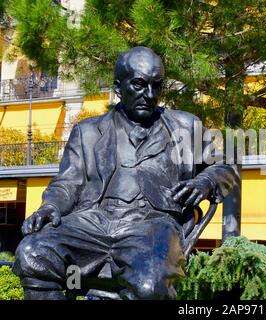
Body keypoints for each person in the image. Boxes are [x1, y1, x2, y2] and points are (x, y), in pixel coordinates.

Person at [12, 46, 238, 300]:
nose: (150, 95)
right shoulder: (86, 131)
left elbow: (226, 168)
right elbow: (67, 183)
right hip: (92, 222)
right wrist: (50, 207)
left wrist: (205, 181)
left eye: (157, 85)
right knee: (33, 252)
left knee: (149, 287)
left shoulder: (185, 126)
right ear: (118, 88)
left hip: (151, 225)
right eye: (140, 85)